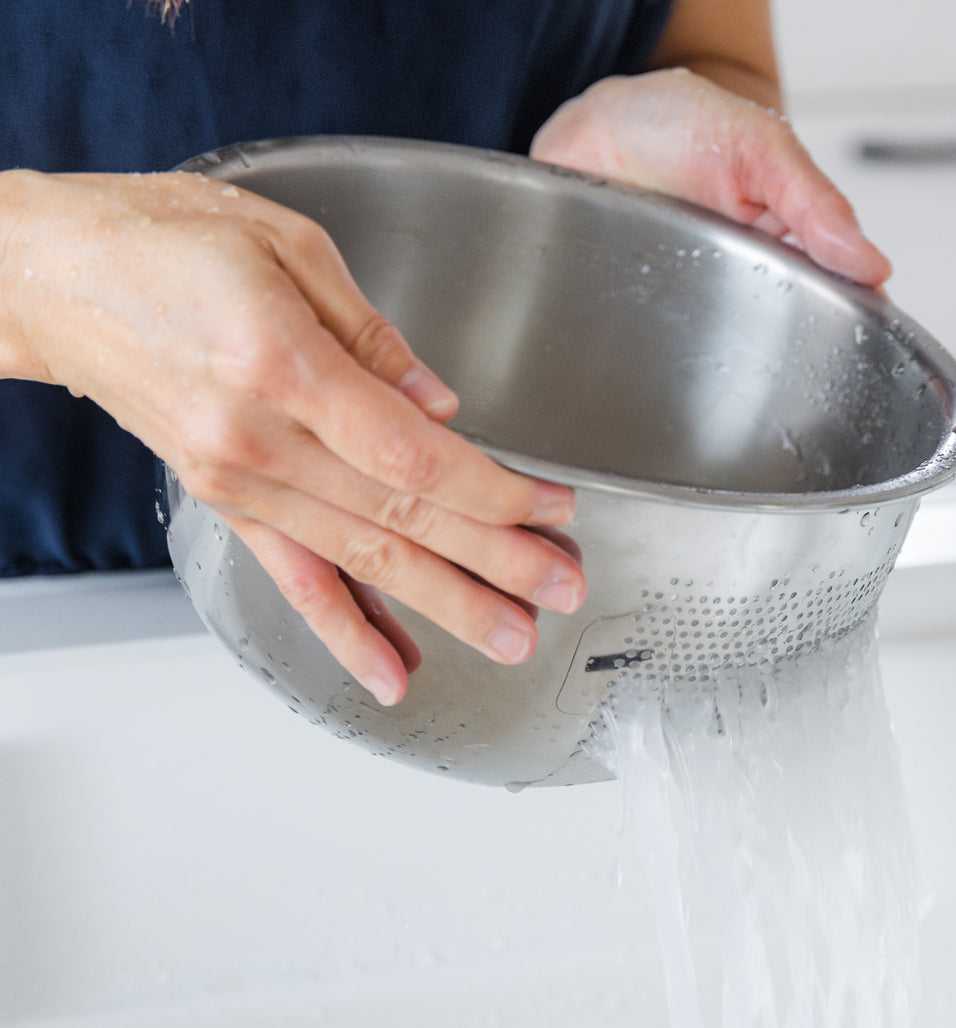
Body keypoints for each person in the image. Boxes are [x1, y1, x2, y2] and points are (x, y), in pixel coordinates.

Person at [0, 0, 890, 707]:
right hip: (32, 635)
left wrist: (629, 202)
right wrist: (40, 283)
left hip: (517, 647)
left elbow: (707, 43)